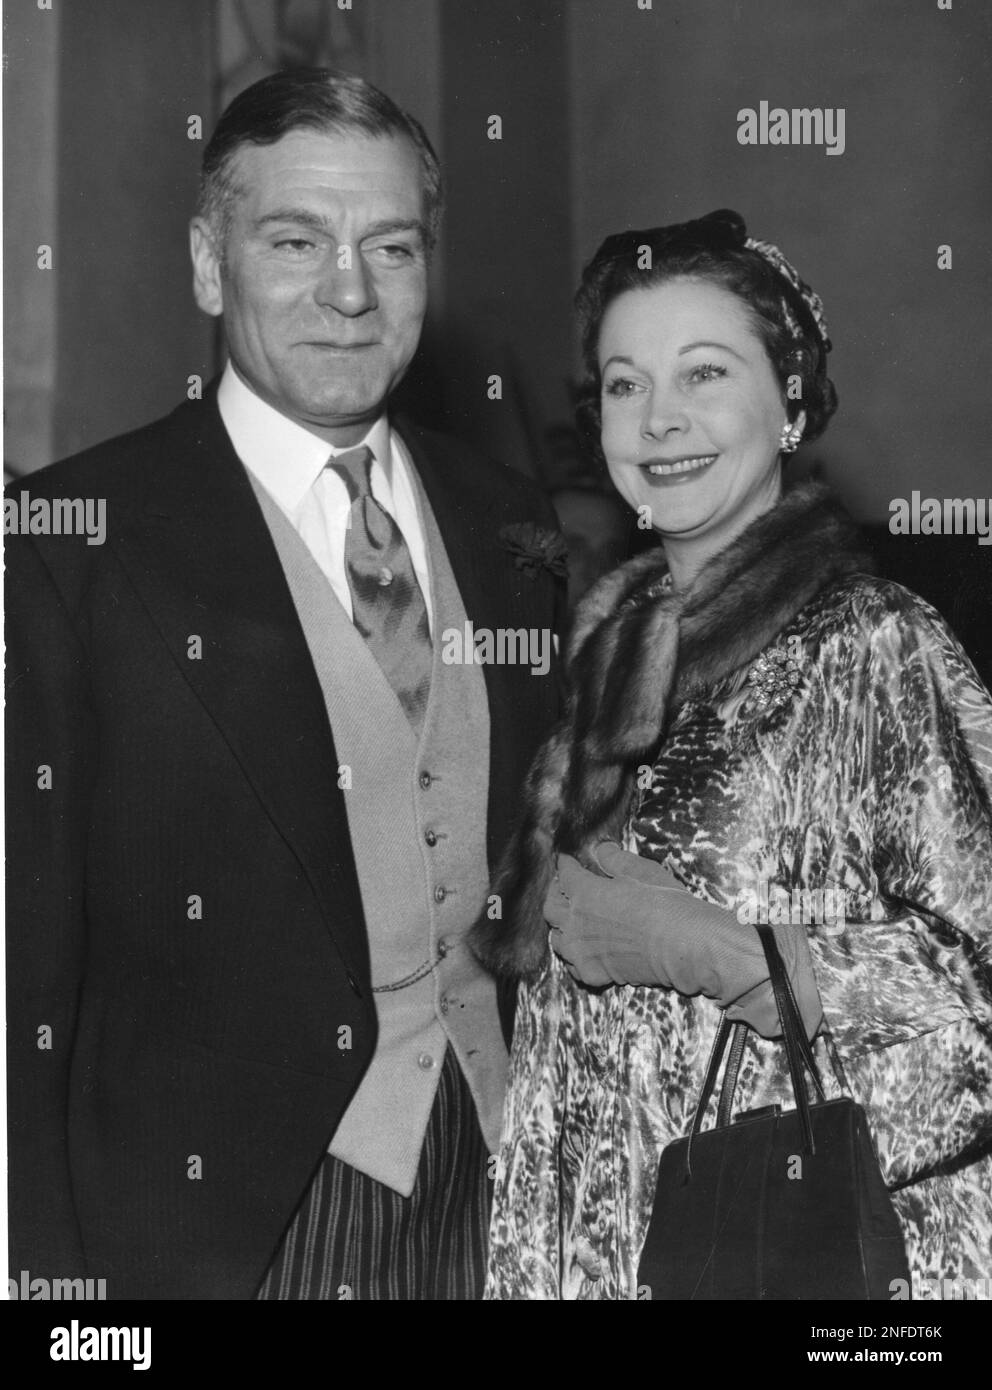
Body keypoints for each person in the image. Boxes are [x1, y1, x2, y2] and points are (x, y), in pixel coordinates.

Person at [5, 68, 563, 1300]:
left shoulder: (513, 525)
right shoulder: (66, 544)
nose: (349, 293)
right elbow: (21, 975)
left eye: (390, 247)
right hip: (222, 1228)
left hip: (502, 1182)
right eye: (295, 241)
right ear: (210, 265)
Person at [475, 209, 992, 1300]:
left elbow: (976, 999)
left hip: (804, 1260)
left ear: (790, 400)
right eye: (623, 383)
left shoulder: (874, 644)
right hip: (610, 1254)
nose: (659, 419)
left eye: (703, 373)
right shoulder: (603, 658)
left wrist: (720, 949)